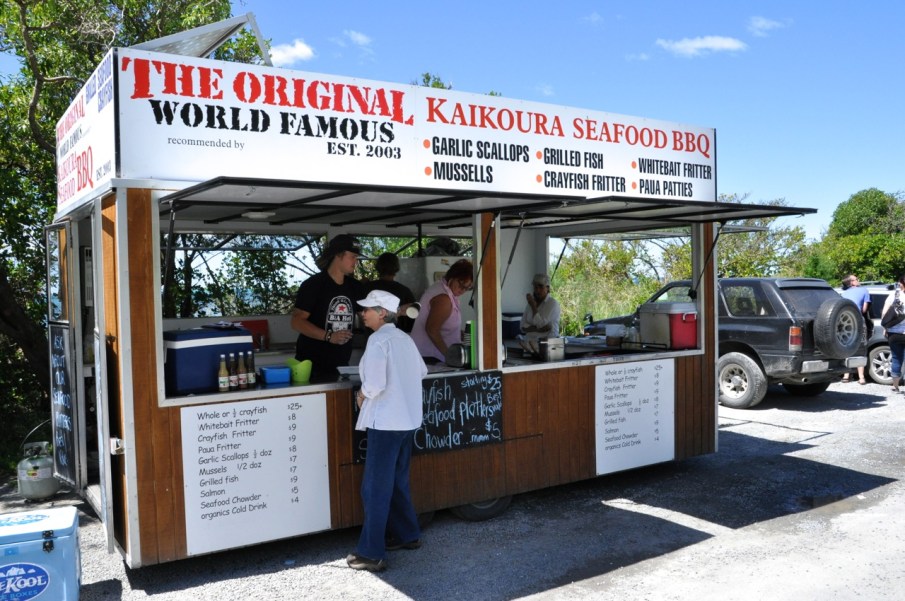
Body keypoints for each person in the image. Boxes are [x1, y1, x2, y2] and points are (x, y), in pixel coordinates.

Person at [346, 290, 427, 572]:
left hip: (386, 421)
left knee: (375, 488)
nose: (363, 313)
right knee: (397, 481)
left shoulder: (378, 340)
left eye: (368, 309)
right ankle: (408, 535)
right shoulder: (405, 339)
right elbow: (422, 371)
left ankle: (371, 553)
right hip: (407, 420)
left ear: (382, 313)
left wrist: (361, 395)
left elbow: (375, 384)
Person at [290, 234, 366, 380]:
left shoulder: (355, 287)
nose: (356, 262)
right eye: (353, 257)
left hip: (341, 366)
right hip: (310, 367)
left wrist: (394, 313)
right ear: (338, 255)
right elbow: (296, 322)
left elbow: (367, 316)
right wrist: (329, 336)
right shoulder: (314, 285)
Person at [411, 259, 474, 363]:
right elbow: (432, 330)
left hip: (429, 356)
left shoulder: (443, 289)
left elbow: (440, 324)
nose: (463, 290)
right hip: (431, 357)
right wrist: (450, 355)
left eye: (467, 288)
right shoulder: (443, 298)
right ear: (453, 276)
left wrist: (456, 333)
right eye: (461, 285)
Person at [365, 252, 417, 333]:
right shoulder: (404, 291)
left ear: (378, 267)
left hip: (372, 334)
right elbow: (414, 316)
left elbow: (360, 313)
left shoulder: (367, 288)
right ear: (396, 268)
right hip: (397, 334)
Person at [839, 274, 871, 384]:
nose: (858, 280)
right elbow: (864, 310)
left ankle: (846, 375)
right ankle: (861, 378)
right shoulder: (864, 291)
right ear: (852, 282)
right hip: (858, 321)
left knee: (846, 346)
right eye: (856, 279)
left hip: (845, 323)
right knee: (861, 348)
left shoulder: (842, 294)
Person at [520, 273, 562, 340]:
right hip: (529, 342)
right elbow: (522, 327)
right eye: (535, 287)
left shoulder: (552, 303)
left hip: (547, 343)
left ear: (547, 288)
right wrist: (538, 329)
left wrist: (533, 307)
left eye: (541, 286)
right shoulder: (530, 303)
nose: (537, 290)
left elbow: (542, 325)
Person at [882, 275, 905, 393]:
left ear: (901, 283)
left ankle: (895, 386)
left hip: (894, 333)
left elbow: (885, 313)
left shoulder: (894, 295)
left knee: (896, 358)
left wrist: (886, 327)